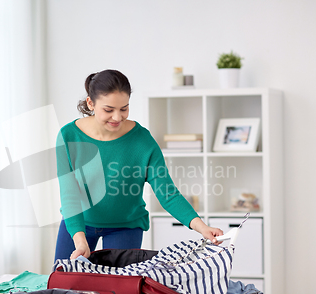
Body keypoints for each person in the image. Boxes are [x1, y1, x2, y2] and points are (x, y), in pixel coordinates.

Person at [54, 69, 223, 261]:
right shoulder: (69, 136)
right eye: (109, 110)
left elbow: (167, 193)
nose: (117, 117)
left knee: (118, 289)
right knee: (63, 283)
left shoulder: (142, 141)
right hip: (78, 222)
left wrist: (202, 227)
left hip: (125, 226)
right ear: (91, 103)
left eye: (124, 108)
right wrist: (80, 240)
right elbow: (69, 194)